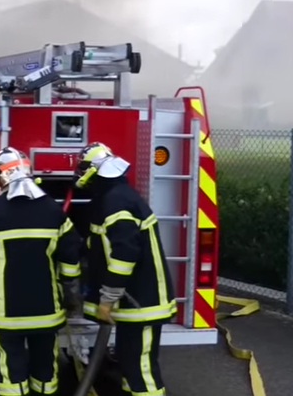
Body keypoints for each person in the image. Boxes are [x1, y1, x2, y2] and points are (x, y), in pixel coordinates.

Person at [0, 147, 82, 396]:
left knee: (10, 372)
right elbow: (71, 256)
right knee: (46, 371)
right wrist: (71, 294)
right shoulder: (54, 212)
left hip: (5, 313)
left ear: (0, 176)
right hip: (46, 313)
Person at [74, 141, 175, 396]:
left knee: (141, 369)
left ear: (94, 170)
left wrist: (107, 299)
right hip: (136, 304)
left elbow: (124, 254)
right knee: (130, 365)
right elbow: (101, 243)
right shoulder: (115, 197)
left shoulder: (116, 203)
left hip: (142, 302)